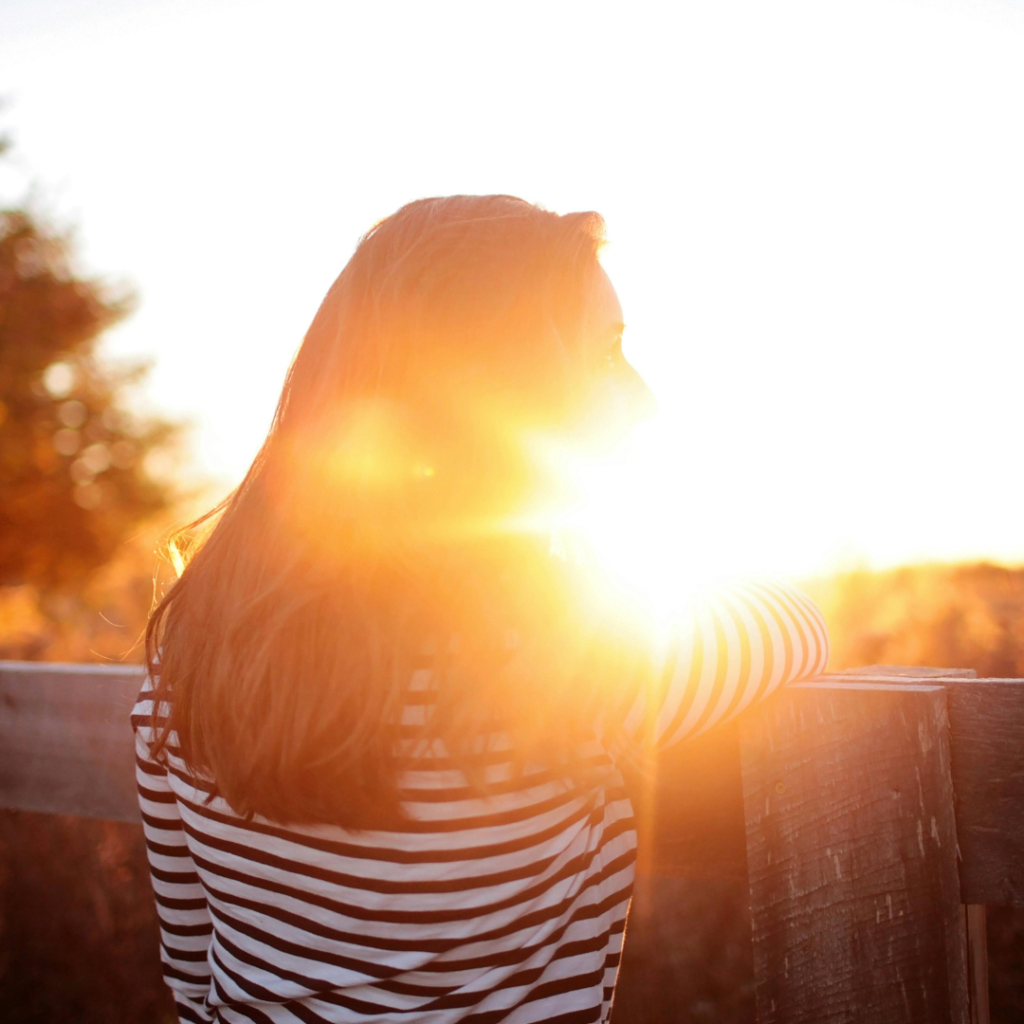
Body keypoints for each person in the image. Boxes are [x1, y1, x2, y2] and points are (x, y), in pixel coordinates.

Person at [134, 195, 829, 1024]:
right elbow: (798, 623)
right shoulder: (564, 660)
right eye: (607, 354)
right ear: (500, 391)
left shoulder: (187, 659)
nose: (646, 399)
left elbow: (189, 972)